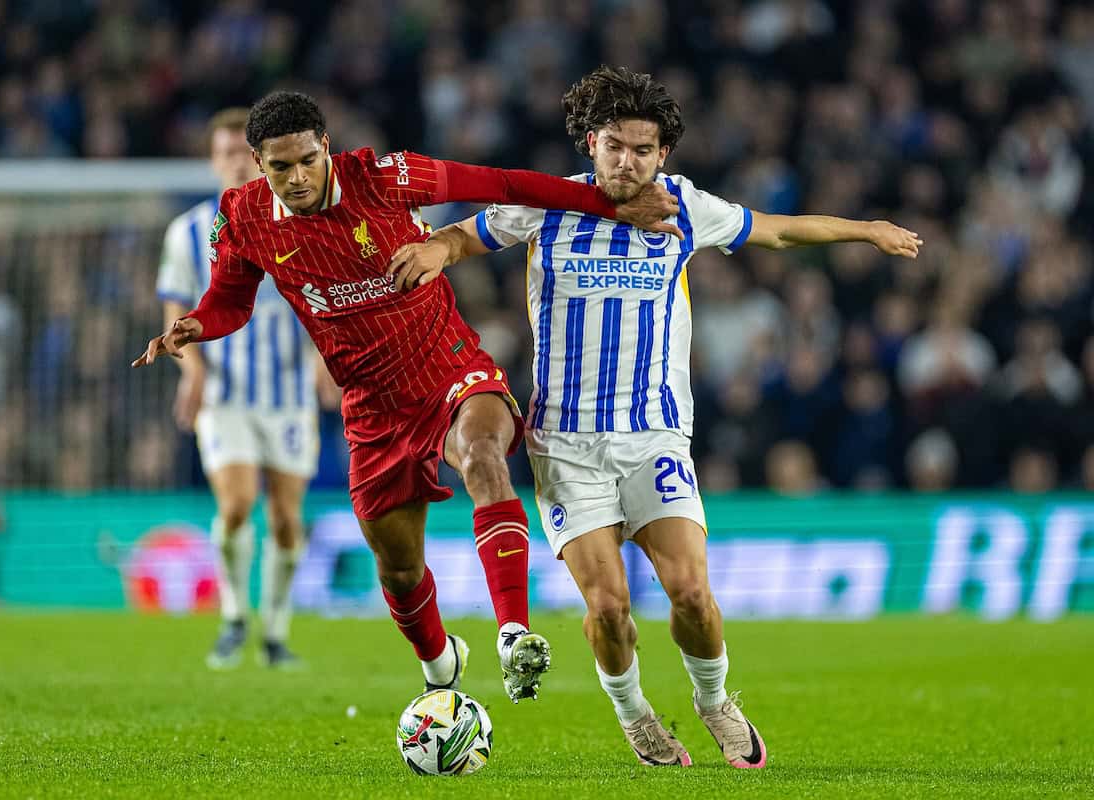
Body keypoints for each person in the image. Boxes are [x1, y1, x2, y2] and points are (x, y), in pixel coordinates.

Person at [388, 65, 921, 766]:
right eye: (614, 144)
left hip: (655, 438)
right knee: (608, 609)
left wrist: (866, 230)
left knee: (692, 594)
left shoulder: (685, 208)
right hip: (565, 445)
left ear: (662, 154)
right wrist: (436, 247)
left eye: (642, 149)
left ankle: (714, 701)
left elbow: (780, 233)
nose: (627, 160)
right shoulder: (550, 204)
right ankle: (635, 713)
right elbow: (469, 234)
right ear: (590, 144)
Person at [133, 90, 680, 701]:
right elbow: (231, 299)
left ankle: (514, 633)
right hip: (372, 407)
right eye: (279, 166)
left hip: (448, 369)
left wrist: (605, 205)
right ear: (259, 165)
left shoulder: (385, 177)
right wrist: (196, 324)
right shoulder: (243, 216)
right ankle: (441, 663)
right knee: (397, 570)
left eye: (307, 160)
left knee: (483, 455)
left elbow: (500, 183)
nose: (296, 177)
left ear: (327, 149)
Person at [155, 108, 323, 671]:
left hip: (289, 392)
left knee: (285, 518)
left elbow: (327, 295)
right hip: (225, 392)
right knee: (236, 505)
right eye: (222, 152)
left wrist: (327, 361)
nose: (232, 163)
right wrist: (193, 372)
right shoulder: (189, 230)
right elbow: (177, 307)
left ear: (256, 160)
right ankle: (232, 616)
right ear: (212, 160)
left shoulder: (302, 220)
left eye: (239, 153)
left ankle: (274, 632)